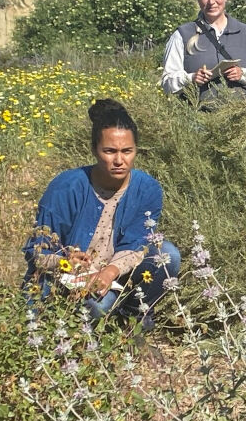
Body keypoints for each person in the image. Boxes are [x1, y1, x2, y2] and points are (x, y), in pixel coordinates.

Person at [24, 99, 181, 329]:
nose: (119, 160)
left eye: (127, 151)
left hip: (114, 273)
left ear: (136, 150)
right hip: (69, 280)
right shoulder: (66, 187)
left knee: (167, 255)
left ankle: (134, 320)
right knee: (97, 307)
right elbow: (36, 251)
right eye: (110, 151)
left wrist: (109, 272)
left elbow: (137, 244)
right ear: (94, 151)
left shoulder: (147, 189)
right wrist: (64, 261)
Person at [160, 0, 246, 108]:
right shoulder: (182, 35)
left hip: (243, 122)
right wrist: (191, 78)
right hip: (196, 122)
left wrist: (243, 75)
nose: (211, 1)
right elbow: (166, 82)